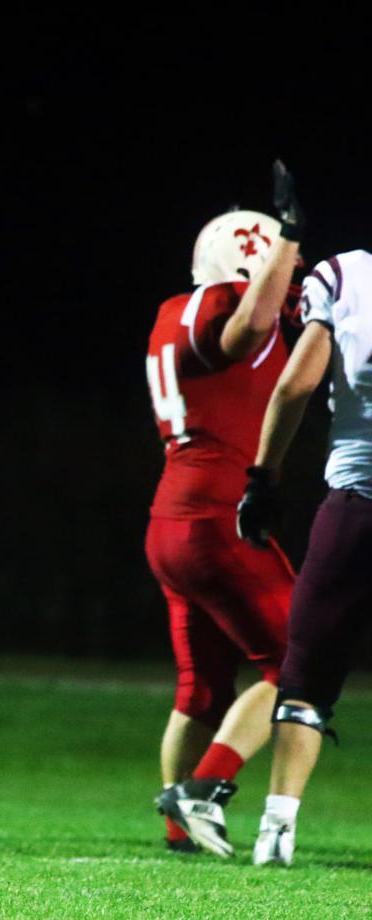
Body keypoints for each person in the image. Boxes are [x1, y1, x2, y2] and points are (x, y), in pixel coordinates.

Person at [145, 162, 303, 857]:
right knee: (299, 668)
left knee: (200, 692)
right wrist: (291, 238)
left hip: (171, 517)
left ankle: (181, 832)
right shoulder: (222, 307)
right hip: (218, 514)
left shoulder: (168, 312)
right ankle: (203, 789)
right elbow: (246, 326)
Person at [237, 248, 372, 867]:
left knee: (307, 677)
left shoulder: (348, 275)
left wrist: (263, 476)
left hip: (357, 502)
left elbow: (297, 382)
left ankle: (276, 830)